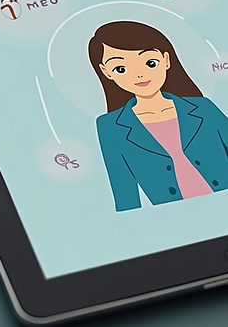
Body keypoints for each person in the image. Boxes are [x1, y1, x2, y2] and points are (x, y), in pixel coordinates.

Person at [89, 21, 228, 211]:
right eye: (121, 69)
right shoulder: (109, 126)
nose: (139, 75)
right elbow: (123, 189)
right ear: (106, 73)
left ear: (166, 60)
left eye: (149, 63)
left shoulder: (202, 108)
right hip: (175, 219)